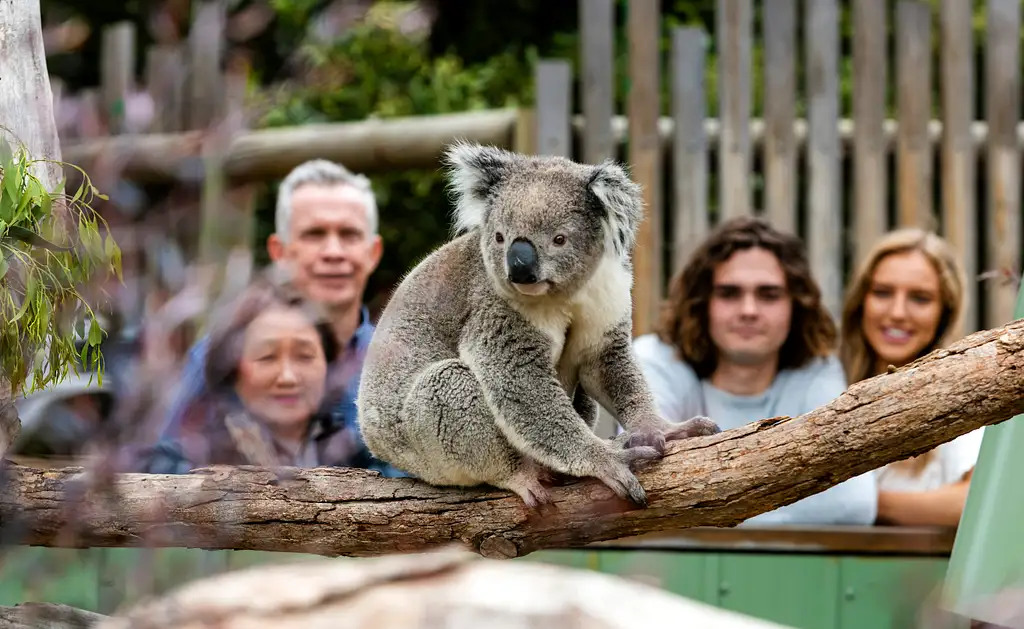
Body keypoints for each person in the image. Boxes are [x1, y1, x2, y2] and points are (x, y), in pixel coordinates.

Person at [148, 159, 404, 476]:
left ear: (373, 252)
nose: (333, 251)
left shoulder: (399, 364)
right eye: (315, 234)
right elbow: (162, 467)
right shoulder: (219, 354)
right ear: (278, 251)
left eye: (349, 234)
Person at [631, 216, 877, 526]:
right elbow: (647, 480)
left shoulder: (817, 372)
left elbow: (852, 505)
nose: (749, 310)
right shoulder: (657, 360)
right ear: (703, 301)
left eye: (768, 295)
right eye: (729, 293)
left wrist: (707, 512)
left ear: (795, 304)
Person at [138, 274, 365, 472]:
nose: (287, 377)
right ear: (232, 369)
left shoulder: (363, 460)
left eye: (305, 356)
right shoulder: (177, 465)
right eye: (267, 357)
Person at [839, 228, 980, 527]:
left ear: (945, 311)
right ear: (861, 301)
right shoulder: (824, 385)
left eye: (920, 298)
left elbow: (976, 502)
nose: (898, 312)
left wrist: (861, 503)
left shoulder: (964, 397)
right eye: (882, 292)